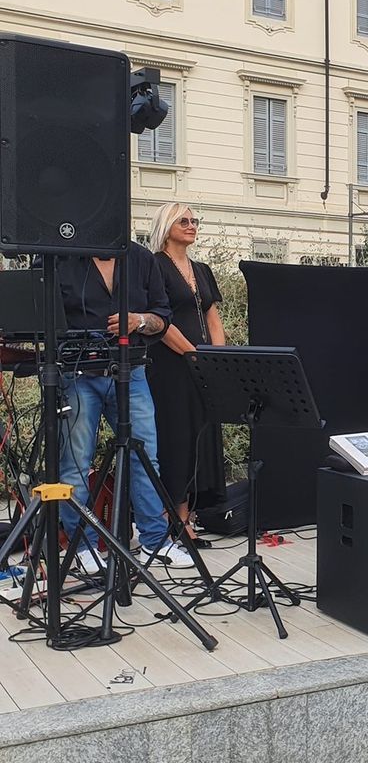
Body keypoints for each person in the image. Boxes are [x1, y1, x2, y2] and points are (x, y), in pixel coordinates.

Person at [57, 242, 194, 572]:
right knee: (75, 463)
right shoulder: (61, 257)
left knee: (144, 457)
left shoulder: (141, 258)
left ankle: (154, 542)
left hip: (130, 372)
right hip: (78, 374)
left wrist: (140, 321)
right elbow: (37, 311)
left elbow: (162, 317)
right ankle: (82, 547)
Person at [147, 203, 227, 550]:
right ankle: (173, 520)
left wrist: (218, 360)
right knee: (177, 436)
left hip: (202, 366)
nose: (192, 225)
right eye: (184, 220)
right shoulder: (155, 266)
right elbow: (160, 322)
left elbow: (213, 318)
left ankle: (188, 516)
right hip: (171, 366)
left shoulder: (201, 269)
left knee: (201, 435)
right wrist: (193, 355)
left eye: (195, 220)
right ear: (167, 226)